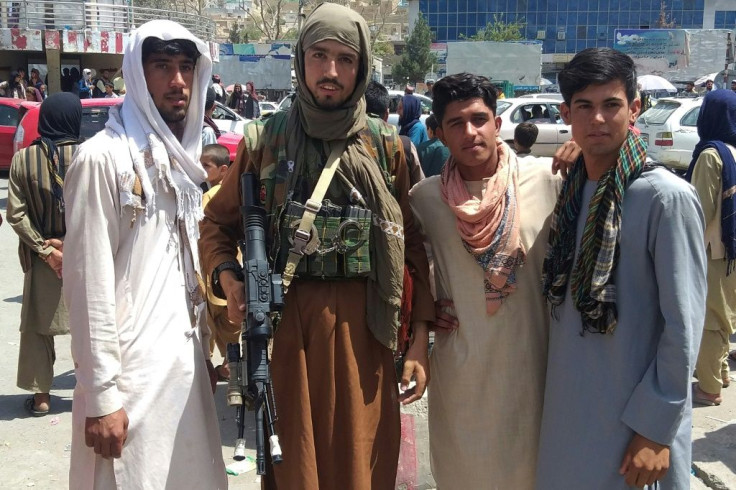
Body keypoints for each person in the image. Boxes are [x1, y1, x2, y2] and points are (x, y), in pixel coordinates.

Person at [199, 4, 434, 488]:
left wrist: (418, 341)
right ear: (300, 60)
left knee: (362, 461)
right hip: (286, 330)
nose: (330, 72)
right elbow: (216, 226)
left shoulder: (385, 146)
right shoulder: (265, 140)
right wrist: (231, 278)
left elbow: (412, 247)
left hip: (364, 333)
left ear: (363, 66)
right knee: (294, 463)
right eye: (319, 55)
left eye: (345, 59)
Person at [62, 20, 227, 488]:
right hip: (129, 385)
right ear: (137, 74)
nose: (178, 81)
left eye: (185, 67)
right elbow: (87, 283)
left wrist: (204, 356)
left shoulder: (182, 163)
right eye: (162, 67)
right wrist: (101, 397)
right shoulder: (103, 159)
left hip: (183, 372)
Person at [536, 47, 706, 489]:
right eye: (584, 107)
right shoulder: (572, 193)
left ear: (634, 108)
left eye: (611, 105)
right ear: (565, 113)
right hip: (568, 415)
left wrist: (655, 426)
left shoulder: (664, 198)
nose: (597, 120)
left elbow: (683, 328)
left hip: (636, 429)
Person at [409, 73, 562, 490]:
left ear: (498, 122)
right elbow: (410, 272)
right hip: (462, 372)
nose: (470, 132)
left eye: (479, 119)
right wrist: (423, 319)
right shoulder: (424, 200)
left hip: (532, 367)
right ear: (437, 132)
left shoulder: (548, 180)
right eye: (456, 123)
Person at [6, 93, 81, 417]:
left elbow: (16, 215)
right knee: (93, 327)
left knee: (38, 328)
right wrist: (73, 244)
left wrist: (46, 248)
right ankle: (97, 395)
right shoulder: (89, 156)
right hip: (86, 257)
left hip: (42, 260)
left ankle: (42, 398)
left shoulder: (23, 160)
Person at [687, 90, 736, 405]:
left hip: (714, 251)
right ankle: (720, 371)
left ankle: (709, 387)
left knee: (711, 318)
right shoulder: (732, 150)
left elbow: (698, 211)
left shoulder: (711, 155)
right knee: (726, 312)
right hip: (731, 251)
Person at [198, 143, 238, 380]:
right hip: (222, 270)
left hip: (219, 273)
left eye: (207, 166)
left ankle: (231, 366)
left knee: (226, 324)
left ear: (224, 170)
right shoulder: (215, 194)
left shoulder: (213, 197)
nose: (201, 170)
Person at [365, 80, 424, 186]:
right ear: (386, 114)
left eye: (401, 108)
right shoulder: (404, 142)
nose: (397, 112)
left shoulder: (414, 130)